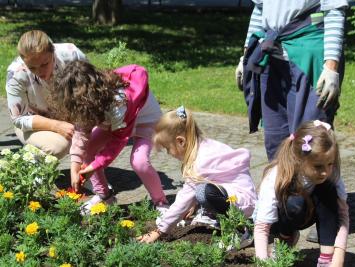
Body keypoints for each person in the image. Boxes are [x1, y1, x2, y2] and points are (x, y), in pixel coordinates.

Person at [50, 60, 168, 213]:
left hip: (145, 122)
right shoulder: (87, 104)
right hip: (115, 124)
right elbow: (81, 133)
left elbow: (118, 141)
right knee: (88, 149)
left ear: (90, 98)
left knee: (139, 162)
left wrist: (95, 165)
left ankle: (161, 202)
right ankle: (105, 196)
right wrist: (75, 166)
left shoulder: (117, 103)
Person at [236, 0, 348, 161]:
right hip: (272, 59)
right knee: (276, 141)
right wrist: (245, 55)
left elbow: (334, 10)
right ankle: (282, 184)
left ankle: (316, 186)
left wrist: (331, 67)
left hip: (309, 59)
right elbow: (260, 8)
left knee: (311, 139)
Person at [137, 106, 257, 243]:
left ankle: (241, 232)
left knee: (202, 193)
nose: (168, 153)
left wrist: (160, 230)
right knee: (200, 192)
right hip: (240, 199)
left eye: (167, 148)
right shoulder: (205, 146)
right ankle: (217, 217)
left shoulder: (201, 162)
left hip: (243, 206)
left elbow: (184, 199)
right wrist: (192, 204)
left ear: (181, 141)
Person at [252, 120, 349, 266]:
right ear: (299, 160)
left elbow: (342, 215)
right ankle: (285, 240)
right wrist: (264, 263)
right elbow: (261, 228)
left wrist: (339, 255)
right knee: (294, 203)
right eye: (318, 166)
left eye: (330, 164)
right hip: (277, 221)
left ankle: (326, 259)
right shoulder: (276, 176)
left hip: (306, 213)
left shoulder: (329, 174)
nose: (325, 172)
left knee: (328, 190)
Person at [6, 30, 87, 159]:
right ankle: (29, 165)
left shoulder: (73, 55)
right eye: (32, 67)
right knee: (59, 146)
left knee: (100, 133)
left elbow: (91, 88)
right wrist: (56, 126)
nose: (40, 72)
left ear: (53, 51)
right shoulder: (15, 74)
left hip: (72, 115)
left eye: (45, 64)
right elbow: (19, 118)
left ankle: (88, 174)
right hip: (34, 123)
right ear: (23, 60)